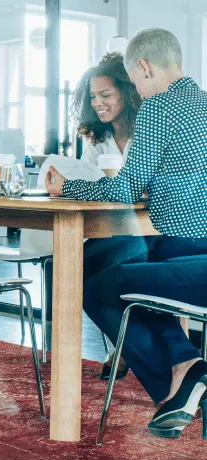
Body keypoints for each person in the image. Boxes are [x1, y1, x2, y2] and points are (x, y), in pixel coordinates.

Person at [47, 29, 207, 436]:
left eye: (134, 81)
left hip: (190, 258)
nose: (137, 89)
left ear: (144, 67)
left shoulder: (158, 108)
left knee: (100, 288)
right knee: (133, 260)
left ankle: (185, 377)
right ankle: (185, 370)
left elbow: (122, 189)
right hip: (185, 252)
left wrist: (67, 187)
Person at [71, 51, 147, 377]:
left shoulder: (148, 131)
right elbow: (91, 182)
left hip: (151, 232)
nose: (98, 103)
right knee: (75, 269)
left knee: (92, 276)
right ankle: (131, 346)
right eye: (93, 97)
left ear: (127, 94)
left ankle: (136, 350)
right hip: (114, 229)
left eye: (106, 95)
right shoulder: (99, 139)